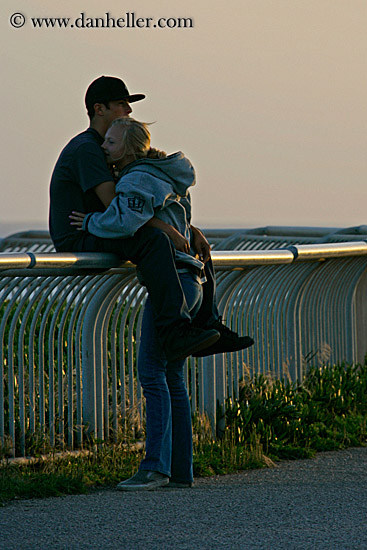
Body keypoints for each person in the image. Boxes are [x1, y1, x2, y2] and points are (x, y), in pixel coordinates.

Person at [70, 118, 253, 490]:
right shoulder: (165, 175)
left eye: (111, 141)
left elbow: (124, 221)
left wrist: (89, 221)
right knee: (173, 376)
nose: (104, 147)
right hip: (191, 281)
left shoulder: (138, 178)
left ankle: (154, 467)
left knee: (152, 372)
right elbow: (175, 221)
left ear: (130, 147)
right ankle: (180, 470)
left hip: (172, 280)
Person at [49, 76, 222, 362]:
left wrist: (190, 230)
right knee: (153, 239)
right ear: (99, 109)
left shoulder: (110, 148)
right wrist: (167, 229)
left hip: (101, 227)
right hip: (80, 236)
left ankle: (209, 322)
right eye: (121, 104)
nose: (128, 111)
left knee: (192, 243)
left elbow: (137, 208)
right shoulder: (89, 149)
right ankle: (174, 329)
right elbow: (118, 209)